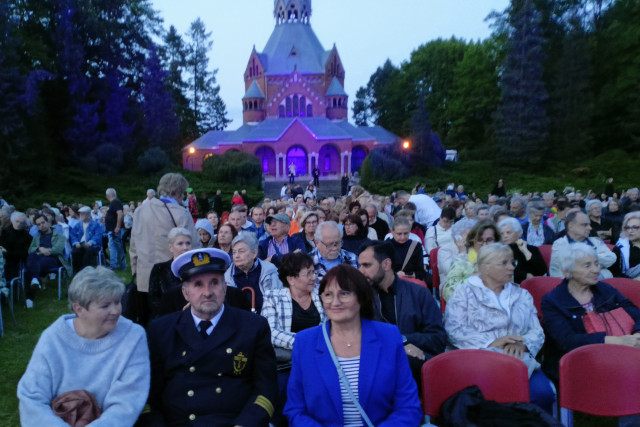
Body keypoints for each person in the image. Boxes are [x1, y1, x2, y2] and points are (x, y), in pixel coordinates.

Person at [148, 248, 278, 426]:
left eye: (214, 283)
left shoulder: (253, 327)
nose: (207, 292)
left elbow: (266, 389)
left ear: (225, 287)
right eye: (198, 285)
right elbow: (149, 396)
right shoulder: (161, 330)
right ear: (185, 293)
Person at [284, 264, 422, 426]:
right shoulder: (305, 342)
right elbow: (295, 410)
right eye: (328, 294)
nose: (335, 302)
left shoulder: (389, 337)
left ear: (362, 298)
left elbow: (408, 407)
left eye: (344, 294)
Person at [17, 267, 150, 425]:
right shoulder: (53, 338)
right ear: (79, 309)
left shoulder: (133, 336)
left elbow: (127, 401)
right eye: (105, 305)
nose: (115, 311)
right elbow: (32, 398)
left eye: (117, 302)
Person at [445, 243, 554, 412]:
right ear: (485, 267)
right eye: (504, 263)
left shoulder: (521, 294)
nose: (511, 267)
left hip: (520, 360)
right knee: (489, 397)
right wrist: (493, 342)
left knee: (542, 394)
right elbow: (454, 330)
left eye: (512, 262)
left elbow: (536, 330)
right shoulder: (464, 293)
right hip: (479, 360)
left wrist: (522, 344)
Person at [541, 243, 640, 383]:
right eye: (587, 266)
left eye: (596, 264)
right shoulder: (553, 301)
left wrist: (637, 335)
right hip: (578, 363)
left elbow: (634, 312)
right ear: (567, 271)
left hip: (619, 356)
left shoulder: (605, 289)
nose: (596, 270)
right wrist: (617, 341)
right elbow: (567, 341)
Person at [359, 241, 446, 387]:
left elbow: (438, 339)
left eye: (366, 265)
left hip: (414, 366)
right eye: (360, 265)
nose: (361, 271)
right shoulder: (362, 297)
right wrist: (398, 343)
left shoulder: (419, 293)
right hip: (375, 364)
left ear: (386, 264)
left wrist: (404, 340)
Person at [261, 252, 326, 426]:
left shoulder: (322, 295)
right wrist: (305, 343)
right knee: (283, 389)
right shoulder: (273, 296)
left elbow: (329, 328)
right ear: (291, 279)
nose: (314, 277)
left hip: (319, 358)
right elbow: (271, 332)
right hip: (286, 363)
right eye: (309, 273)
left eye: (314, 272)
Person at [129, 173, 201, 325]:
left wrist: (135, 271)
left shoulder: (139, 211)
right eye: (183, 194)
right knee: (173, 324)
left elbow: (133, 246)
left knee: (148, 323)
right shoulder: (181, 213)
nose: (183, 198)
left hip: (144, 278)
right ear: (177, 192)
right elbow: (193, 247)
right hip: (170, 279)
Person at [441, 221, 499, 302]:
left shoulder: (502, 262)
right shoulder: (462, 261)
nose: (485, 245)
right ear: (473, 241)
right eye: (480, 240)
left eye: (489, 240)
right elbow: (448, 293)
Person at [224, 233, 282, 314]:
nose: (236, 256)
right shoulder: (227, 276)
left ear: (254, 253)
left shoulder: (269, 271)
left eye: (241, 251)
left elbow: (277, 303)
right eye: (234, 252)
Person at [549, 211, 616, 278]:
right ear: (571, 226)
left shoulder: (596, 241)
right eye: (584, 225)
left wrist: (583, 262)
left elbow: (612, 258)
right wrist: (598, 264)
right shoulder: (559, 244)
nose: (590, 228)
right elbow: (560, 272)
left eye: (589, 224)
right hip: (572, 284)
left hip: (600, 282)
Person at [25, 214, 72, 308]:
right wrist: (40, 249)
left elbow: (58, 250)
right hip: (39, 259)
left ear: (48, 222)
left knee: (31, 266)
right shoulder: (36, 237)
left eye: (43, 222)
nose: (41, 225)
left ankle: (29, 297)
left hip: (54, 260)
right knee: (32, 256)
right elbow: (30, 250)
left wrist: (43, 251)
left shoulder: (59, 236)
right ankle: (34, 280)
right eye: (38, 224)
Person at [148, 227, 192, 321]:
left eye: (188, 243)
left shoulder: (196, 270)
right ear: (171, 247)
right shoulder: (160, 269)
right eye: (180, 244)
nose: (185, 247)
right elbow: (154, 301)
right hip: (167, 319)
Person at [310, 221, 358, 288]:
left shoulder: (352, 258)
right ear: (317, 243)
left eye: (337, 243)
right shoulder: (308, 262)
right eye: (329, 245)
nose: (335, 248)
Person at [498, 218, 548, 283]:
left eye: (508, 232)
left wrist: (525, 251)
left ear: (519, 233)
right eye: (502, 234)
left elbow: (541, 271)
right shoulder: (499, 252)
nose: (505, 236)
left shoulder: (531, 249)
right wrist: (524, 275)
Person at [389, 217, 427, 281]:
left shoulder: (416, 246)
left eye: (406, 233)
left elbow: (421, 272)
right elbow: (381, 271)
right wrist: (394, 274)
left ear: (409, 231)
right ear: (392, 232)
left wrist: (413, 275)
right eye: (399, 234)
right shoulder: (385, 246)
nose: (402, 237)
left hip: (411, 282)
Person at [0, 211, 32, 282]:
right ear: (12, 220)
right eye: (17, 221)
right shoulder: (4, 232)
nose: (19, 224)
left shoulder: (27, 237)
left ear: (24, 224)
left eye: (22, 223)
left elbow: (25, 252)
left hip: (16, 260)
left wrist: (10, 253)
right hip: (4, 257)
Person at [70, 206, 103, 273]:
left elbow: (98, 236)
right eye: (80, 214)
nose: (81, 216)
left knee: (88, 251)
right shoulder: (78, 225)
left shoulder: (96, 225)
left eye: (83, 214)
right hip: (80, 244)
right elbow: (72, 235)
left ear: (88, 215)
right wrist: (76, 243)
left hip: (92, 245)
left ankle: (85, 271)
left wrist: (89, 243)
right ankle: (76, 271)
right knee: (75, 252)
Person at [613, 212, 640, 279]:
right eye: (628, 227)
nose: (630, 231)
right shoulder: (620, 247)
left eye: (635, 227)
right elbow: (614, 272)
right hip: (631, 282)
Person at [105, 188, 126, 270]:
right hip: (112, 230)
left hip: (115, 230)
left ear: (108, 196)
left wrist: (117, 227)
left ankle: (122, 266)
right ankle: (113, 265)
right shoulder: (115, 202)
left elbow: (120, 214)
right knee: (113, 248)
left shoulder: (115, 202)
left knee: (118, 248)